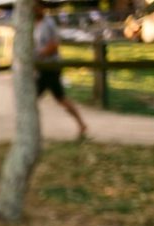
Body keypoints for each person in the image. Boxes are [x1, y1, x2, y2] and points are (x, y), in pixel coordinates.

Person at [34, 3, 88, 139]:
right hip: (42, 67)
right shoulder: (34, 24)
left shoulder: (48, 23)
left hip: (50, 67)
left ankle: (33, 131)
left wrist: (39, 55)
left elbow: (54, 44)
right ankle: (81, 124)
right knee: (60, 98)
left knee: (33, 98)